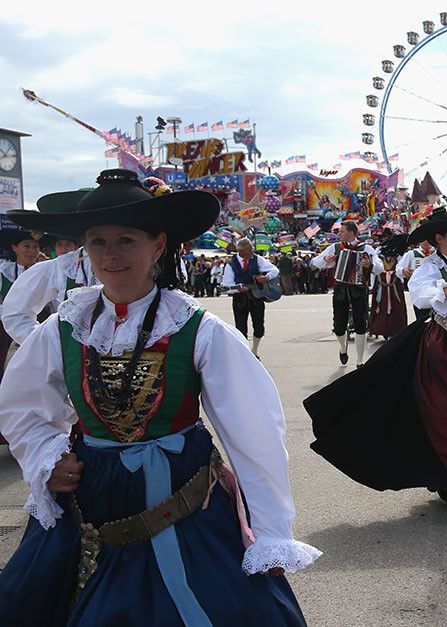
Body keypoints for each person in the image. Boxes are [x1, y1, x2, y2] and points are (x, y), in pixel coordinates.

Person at [0, 168, 318, 625]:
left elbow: (255, 435)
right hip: (91, 494)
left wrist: (270, 532)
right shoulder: (64, 327)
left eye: (126, 240)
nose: (110, 255)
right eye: (97, 241)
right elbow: (22, 406)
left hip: (184, 497)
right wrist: (45, 459)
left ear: (158, 245)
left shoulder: (199, 329)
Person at [305, 208, 447, 506]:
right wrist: (446, 290)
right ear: (439, 238)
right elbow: (420, 295)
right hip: (446, 347)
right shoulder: (429, 267)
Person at [2, 189, 98, 353]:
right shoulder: (59, 268)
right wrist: (51, 347)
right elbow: (15, 314)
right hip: (72, 359)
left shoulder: (138, 263)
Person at [311, 220, 377, 367]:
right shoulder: (335, 247)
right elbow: (315, 262)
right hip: (340, 288)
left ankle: (360, 360)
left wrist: (370, 265)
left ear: (351, 232)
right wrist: (326, 259)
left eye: (342, 231)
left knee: (361, 323)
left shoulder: (366, 248)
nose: (339, 234)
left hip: (359, 288)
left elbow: (379, 267)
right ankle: (343, 347)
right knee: (339, 325)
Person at [221, 237, 279, 358]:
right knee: (241, 329)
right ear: (241, 251)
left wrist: (266, 277)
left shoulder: (257, 259)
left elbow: (274, 270)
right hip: (240, 300)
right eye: (249, 250)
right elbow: (227, 285)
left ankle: (254, 350)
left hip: (256, 298)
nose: (252, 251)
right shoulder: (231, 265)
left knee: (259, 327)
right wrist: (237, 289)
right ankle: (246, 354)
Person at [0, 229, 44, 372]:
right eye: (26, 246)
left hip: (37, 330)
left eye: (35, 247)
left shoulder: (43, 272)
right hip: (5, 331)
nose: (31, 251)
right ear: (14, 248)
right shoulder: (3, 271)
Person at [369, 232, 409, 339]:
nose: (383, 240)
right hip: (381, 280)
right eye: (382, 238)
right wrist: (372, 283)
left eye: (385, 238)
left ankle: (397, 329)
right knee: (380, 305)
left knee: (397, 305)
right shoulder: (378, 251)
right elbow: (374, 266)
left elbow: (401, 266)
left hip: (395, 281)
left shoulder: (399, 252)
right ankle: (381, 329)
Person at [396, 239, 435, 323]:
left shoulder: (437, 253)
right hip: (419, 291)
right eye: (423, 240)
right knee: (421, 319)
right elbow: (398, 269)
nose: (426, 242)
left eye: (428, 239)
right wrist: (403, 270)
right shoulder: (412, 254)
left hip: (435, 290)